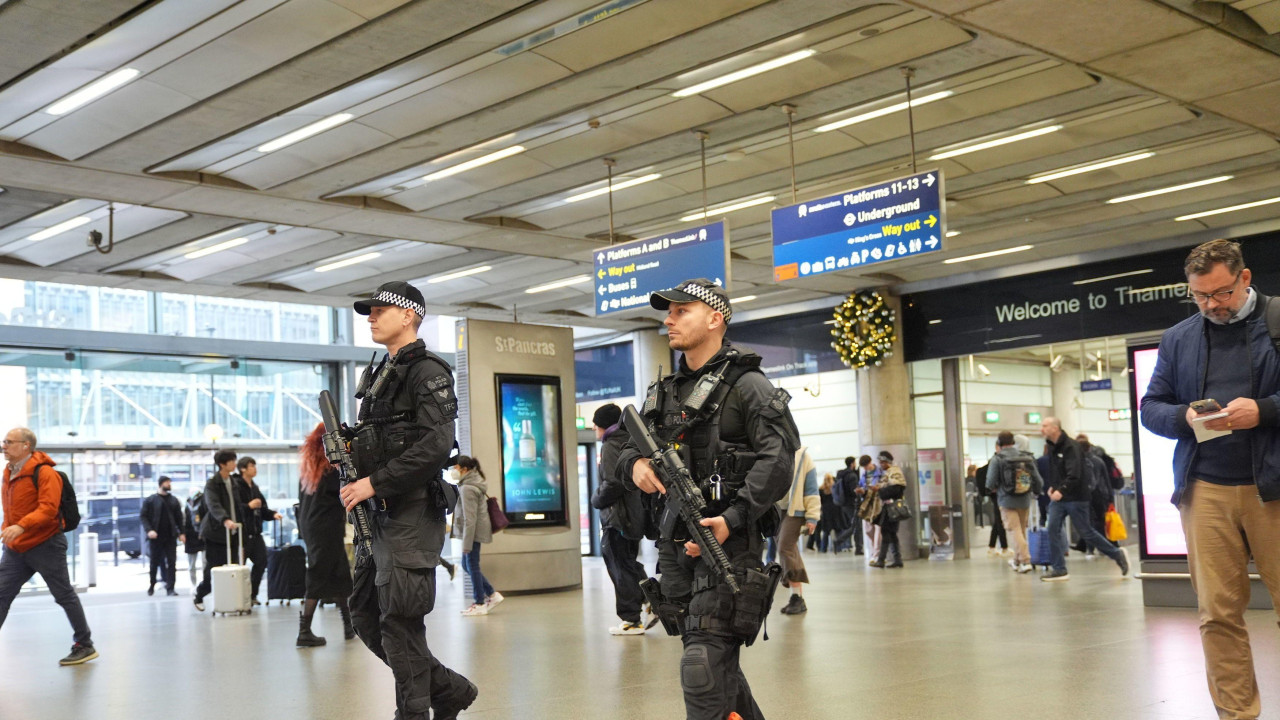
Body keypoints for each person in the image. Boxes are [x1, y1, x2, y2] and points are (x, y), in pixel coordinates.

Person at [618, 278, 799, 720]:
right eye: (669, 311)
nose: (669, 319)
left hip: (729, 545)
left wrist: (734, 517)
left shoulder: (749, 385)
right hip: (674, 547)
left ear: (715, 318)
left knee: (701, 666)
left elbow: (779, 459)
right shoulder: (665, 392)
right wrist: (634, 466)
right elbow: (626, 444)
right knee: (718, 669)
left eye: (682, 311)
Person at [1140, 238, 1280, 720]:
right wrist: (1187, 418)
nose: (1211, 306)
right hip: (1206, 490)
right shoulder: (1180, 337)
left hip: (1275, 488)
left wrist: (1262, 411)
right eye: (1199, 296)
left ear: (1244, 278)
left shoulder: (1278, 320)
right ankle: (1237, 714)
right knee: (1218, 615)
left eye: (1220, 293)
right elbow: (1150, 407)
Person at [341, 280, 476, 720]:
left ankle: (414, 712)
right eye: (369, 310)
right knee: (364, 613)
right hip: (378, 516)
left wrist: (374, 482)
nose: (371, 316)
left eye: (380, 309)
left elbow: (437, 445)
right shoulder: (383, 372)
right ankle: (449, 689)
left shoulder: (428, 371)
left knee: (400, 622)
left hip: (411, 510)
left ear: (409, 315)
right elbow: (384, 438)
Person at [0, 427, 98, 666]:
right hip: (17, 548)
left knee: (63, 594)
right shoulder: (9, 472)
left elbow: (48, 509)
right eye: (4, 441)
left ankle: (84, 644)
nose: (3, 445)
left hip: (46, 544)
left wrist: (21, 527)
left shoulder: (45, 473)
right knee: (1, 594)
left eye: (9, 441)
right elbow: (11, 511)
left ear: (25, 445)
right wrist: (7, 528)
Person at [1038, 417, 1129, 582]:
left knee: (1086, 532)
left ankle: (1117, 554)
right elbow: (1056, 471)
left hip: (1076, 498)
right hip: (1060, 498)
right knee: (1052, 529)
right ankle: (1059, 569)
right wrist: (1053, 486)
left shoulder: (1071, 447)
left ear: (1055, 428)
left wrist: (1062, 490)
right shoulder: (1052, 447)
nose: (1041, 429)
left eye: (1044, 426)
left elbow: (1075, 474)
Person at [589, 403, 651, 635]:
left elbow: (613, 482)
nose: (594, 429)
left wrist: (596, 499)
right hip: (632, 515)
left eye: (595, 424)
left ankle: (631, 620)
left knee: (618, 566)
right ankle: (649, 598)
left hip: (618, 517)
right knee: (627, 562)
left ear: (602, 425)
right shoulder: (629, 441)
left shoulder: (611, 445)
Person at [296, 423, 354, 648]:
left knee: (339, 575)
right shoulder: (331, 468)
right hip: (325, 528)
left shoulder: (311, 468)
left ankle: (349, 626)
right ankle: (304, 631)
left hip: (314, 527)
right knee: (319, 574)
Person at [193, 449, 244, 612]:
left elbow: (237, 506)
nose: (234, 464)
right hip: (215, 532)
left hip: (233, 532)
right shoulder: (212, 483)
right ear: (222, 464)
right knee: (213, 568)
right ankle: (200, 595)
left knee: (234, 566)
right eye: (232, 461)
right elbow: (213, 505)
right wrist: (225, 520)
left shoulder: (233, 482)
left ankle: (231, 601)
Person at [985, 432, 1043, 573]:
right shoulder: (1027, 457)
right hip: (1024, 499)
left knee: (1014, 530)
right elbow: (1039, 481)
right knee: (1021, 530)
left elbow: (990, 482)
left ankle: (1025, 560)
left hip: (1006, 500)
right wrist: (1035, 491)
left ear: (999, 443)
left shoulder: (998, 459)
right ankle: (1017, 561)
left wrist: (992, 489)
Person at [452, 455, 501, 617]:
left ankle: (480, 602)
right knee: (468, 565)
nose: (453, 470)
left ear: (464, 469)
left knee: (471, 565)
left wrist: (466, 545)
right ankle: (492, 595)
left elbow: (470, 519)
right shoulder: (472, 483)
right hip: (476, 531)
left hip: (473, 533)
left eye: (456, 467)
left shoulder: (467, 488)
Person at [233, 456, 282, 605]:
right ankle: (239, 598)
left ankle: (252, 595)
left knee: (261, 562)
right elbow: (234, 509)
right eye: (252, 466)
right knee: (239, 566)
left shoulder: (254, 487)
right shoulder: (235, 486)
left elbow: (262, 508)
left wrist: (273, 514)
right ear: (243, 469)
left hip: (256, 533)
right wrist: (248, 506)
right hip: (241, 534)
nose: (255, 469)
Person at [776, 446, 819, 614]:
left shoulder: (803, 457)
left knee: (785, 548)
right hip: (775, 510)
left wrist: (812, 517)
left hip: (795, 510)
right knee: (791, 550)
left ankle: (797, 598)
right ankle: (797, 597)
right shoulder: (771, 452)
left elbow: (811, 489)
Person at [140, 475, 185, 596]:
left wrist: (181, 533)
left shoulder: (174, 500)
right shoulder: (150, 500)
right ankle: (152, 584)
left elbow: (179, 518)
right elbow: (143, 516)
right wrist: (149, 530)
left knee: (172, 562)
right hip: (156, 537)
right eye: (167, 482)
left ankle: (170, 588)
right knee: (154, 562)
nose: (169, 485)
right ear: (161, 484)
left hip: (170, 536)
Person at [868, 451, 907, 569]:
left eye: (883, 462)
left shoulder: (895, 473)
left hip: (892, 507)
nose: (881, 464)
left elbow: (896, 490)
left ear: (888, 462)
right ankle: (897, 559)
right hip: (889, 507)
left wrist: (879, 491)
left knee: (886, 533)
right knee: (892, 534)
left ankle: (881, 559)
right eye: (880, 462)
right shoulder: (888, 473)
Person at [831, 456, 862, 554]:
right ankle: (841, 542)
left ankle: (858, 548)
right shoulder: (852, 476)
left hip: (843, 504)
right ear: (852, 464)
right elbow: (854, 491)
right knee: (856, 525)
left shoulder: (841, 474)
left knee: (854, 525)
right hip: (852, 504)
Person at [857, 454, 882, 561]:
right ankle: (875, 551)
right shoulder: (864, 475)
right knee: (868, 530)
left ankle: (876, 554)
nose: (866, 468)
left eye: (866, 466)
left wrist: (877, 488)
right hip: (867, 503)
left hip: (878, 502)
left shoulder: (880, 472)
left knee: (878, 529)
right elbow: (861, 485)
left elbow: (884, 485)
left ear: (870, 462)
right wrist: (861, 491)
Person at [183, 489, 205, 588]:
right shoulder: (187, 505)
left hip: (203, 535)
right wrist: (182, 533)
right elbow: (183, 520)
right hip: (190, 536)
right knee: (192, 564)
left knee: (205, 562)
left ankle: (205, 583)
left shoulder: (204, 503)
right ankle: (193, 584)